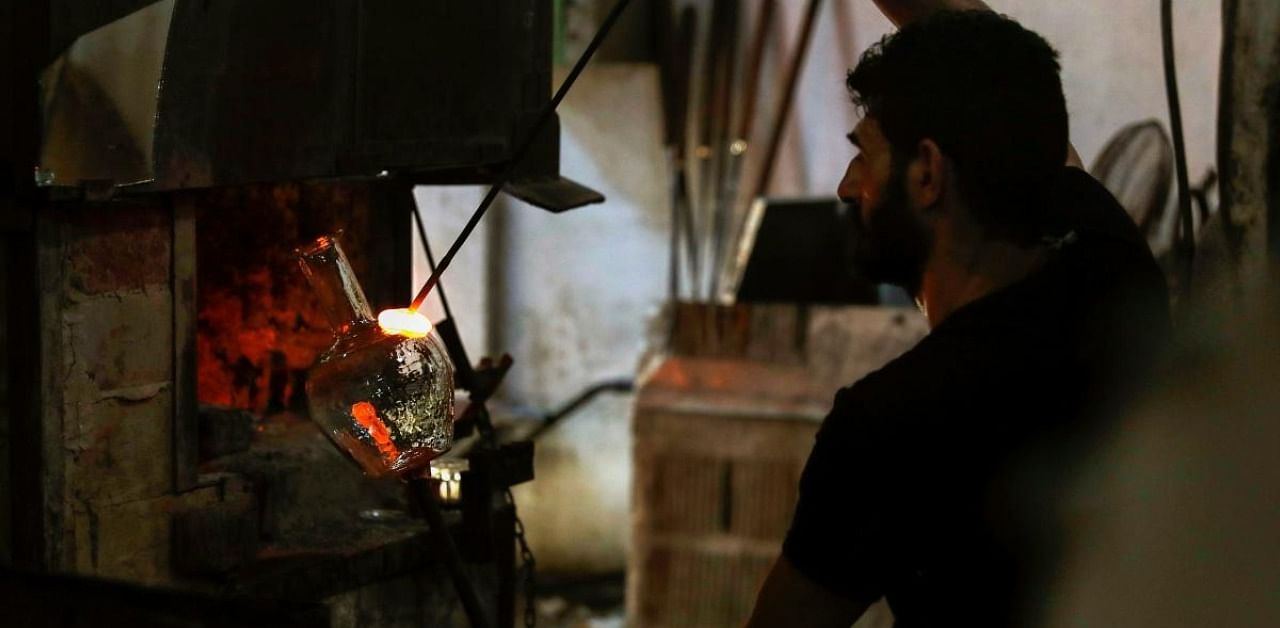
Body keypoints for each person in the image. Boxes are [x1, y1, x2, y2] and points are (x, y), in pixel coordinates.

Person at [746, 2, 1172, 626]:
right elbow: (1011, 87)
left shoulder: (891, 428)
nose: (846, 185)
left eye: (864, 154)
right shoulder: (1112, 273)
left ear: (927, 174)